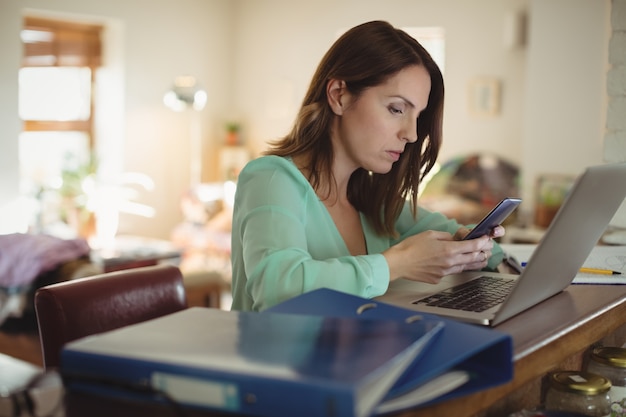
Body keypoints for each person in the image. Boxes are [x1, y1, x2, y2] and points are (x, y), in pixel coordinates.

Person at [230, 20, 511, 312]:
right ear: (339, 95)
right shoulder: (271, 179)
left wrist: (477, 248)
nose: (412, 134)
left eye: (417, 116)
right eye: (396, 109)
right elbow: (278, 289)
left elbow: (458, 234)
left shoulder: (371, 201)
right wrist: (399, 263)